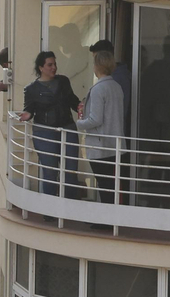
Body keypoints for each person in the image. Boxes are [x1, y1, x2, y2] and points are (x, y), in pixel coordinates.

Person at [19, 50, 81, 198]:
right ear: (41, 68)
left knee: (70, 172)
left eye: (54, 64)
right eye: (49, 65)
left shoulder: (63, 81)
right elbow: (29, 109)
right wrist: (27, 115)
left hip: (67, 128)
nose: (53, 67)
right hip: (45, 132)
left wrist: (80, 106)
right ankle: (50, 210)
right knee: (50, 171)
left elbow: (72, 100)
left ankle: (72, 209)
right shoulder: (31, 89)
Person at [74, 46, 124, 204]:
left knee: (104, 184)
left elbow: (95, 119)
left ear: (97, 66)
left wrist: (79, 123)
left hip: (100, 145)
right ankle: (111, 219)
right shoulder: (116, 87)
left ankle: (105, 221)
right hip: (114, 143)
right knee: (110, 184)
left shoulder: (98, 89)